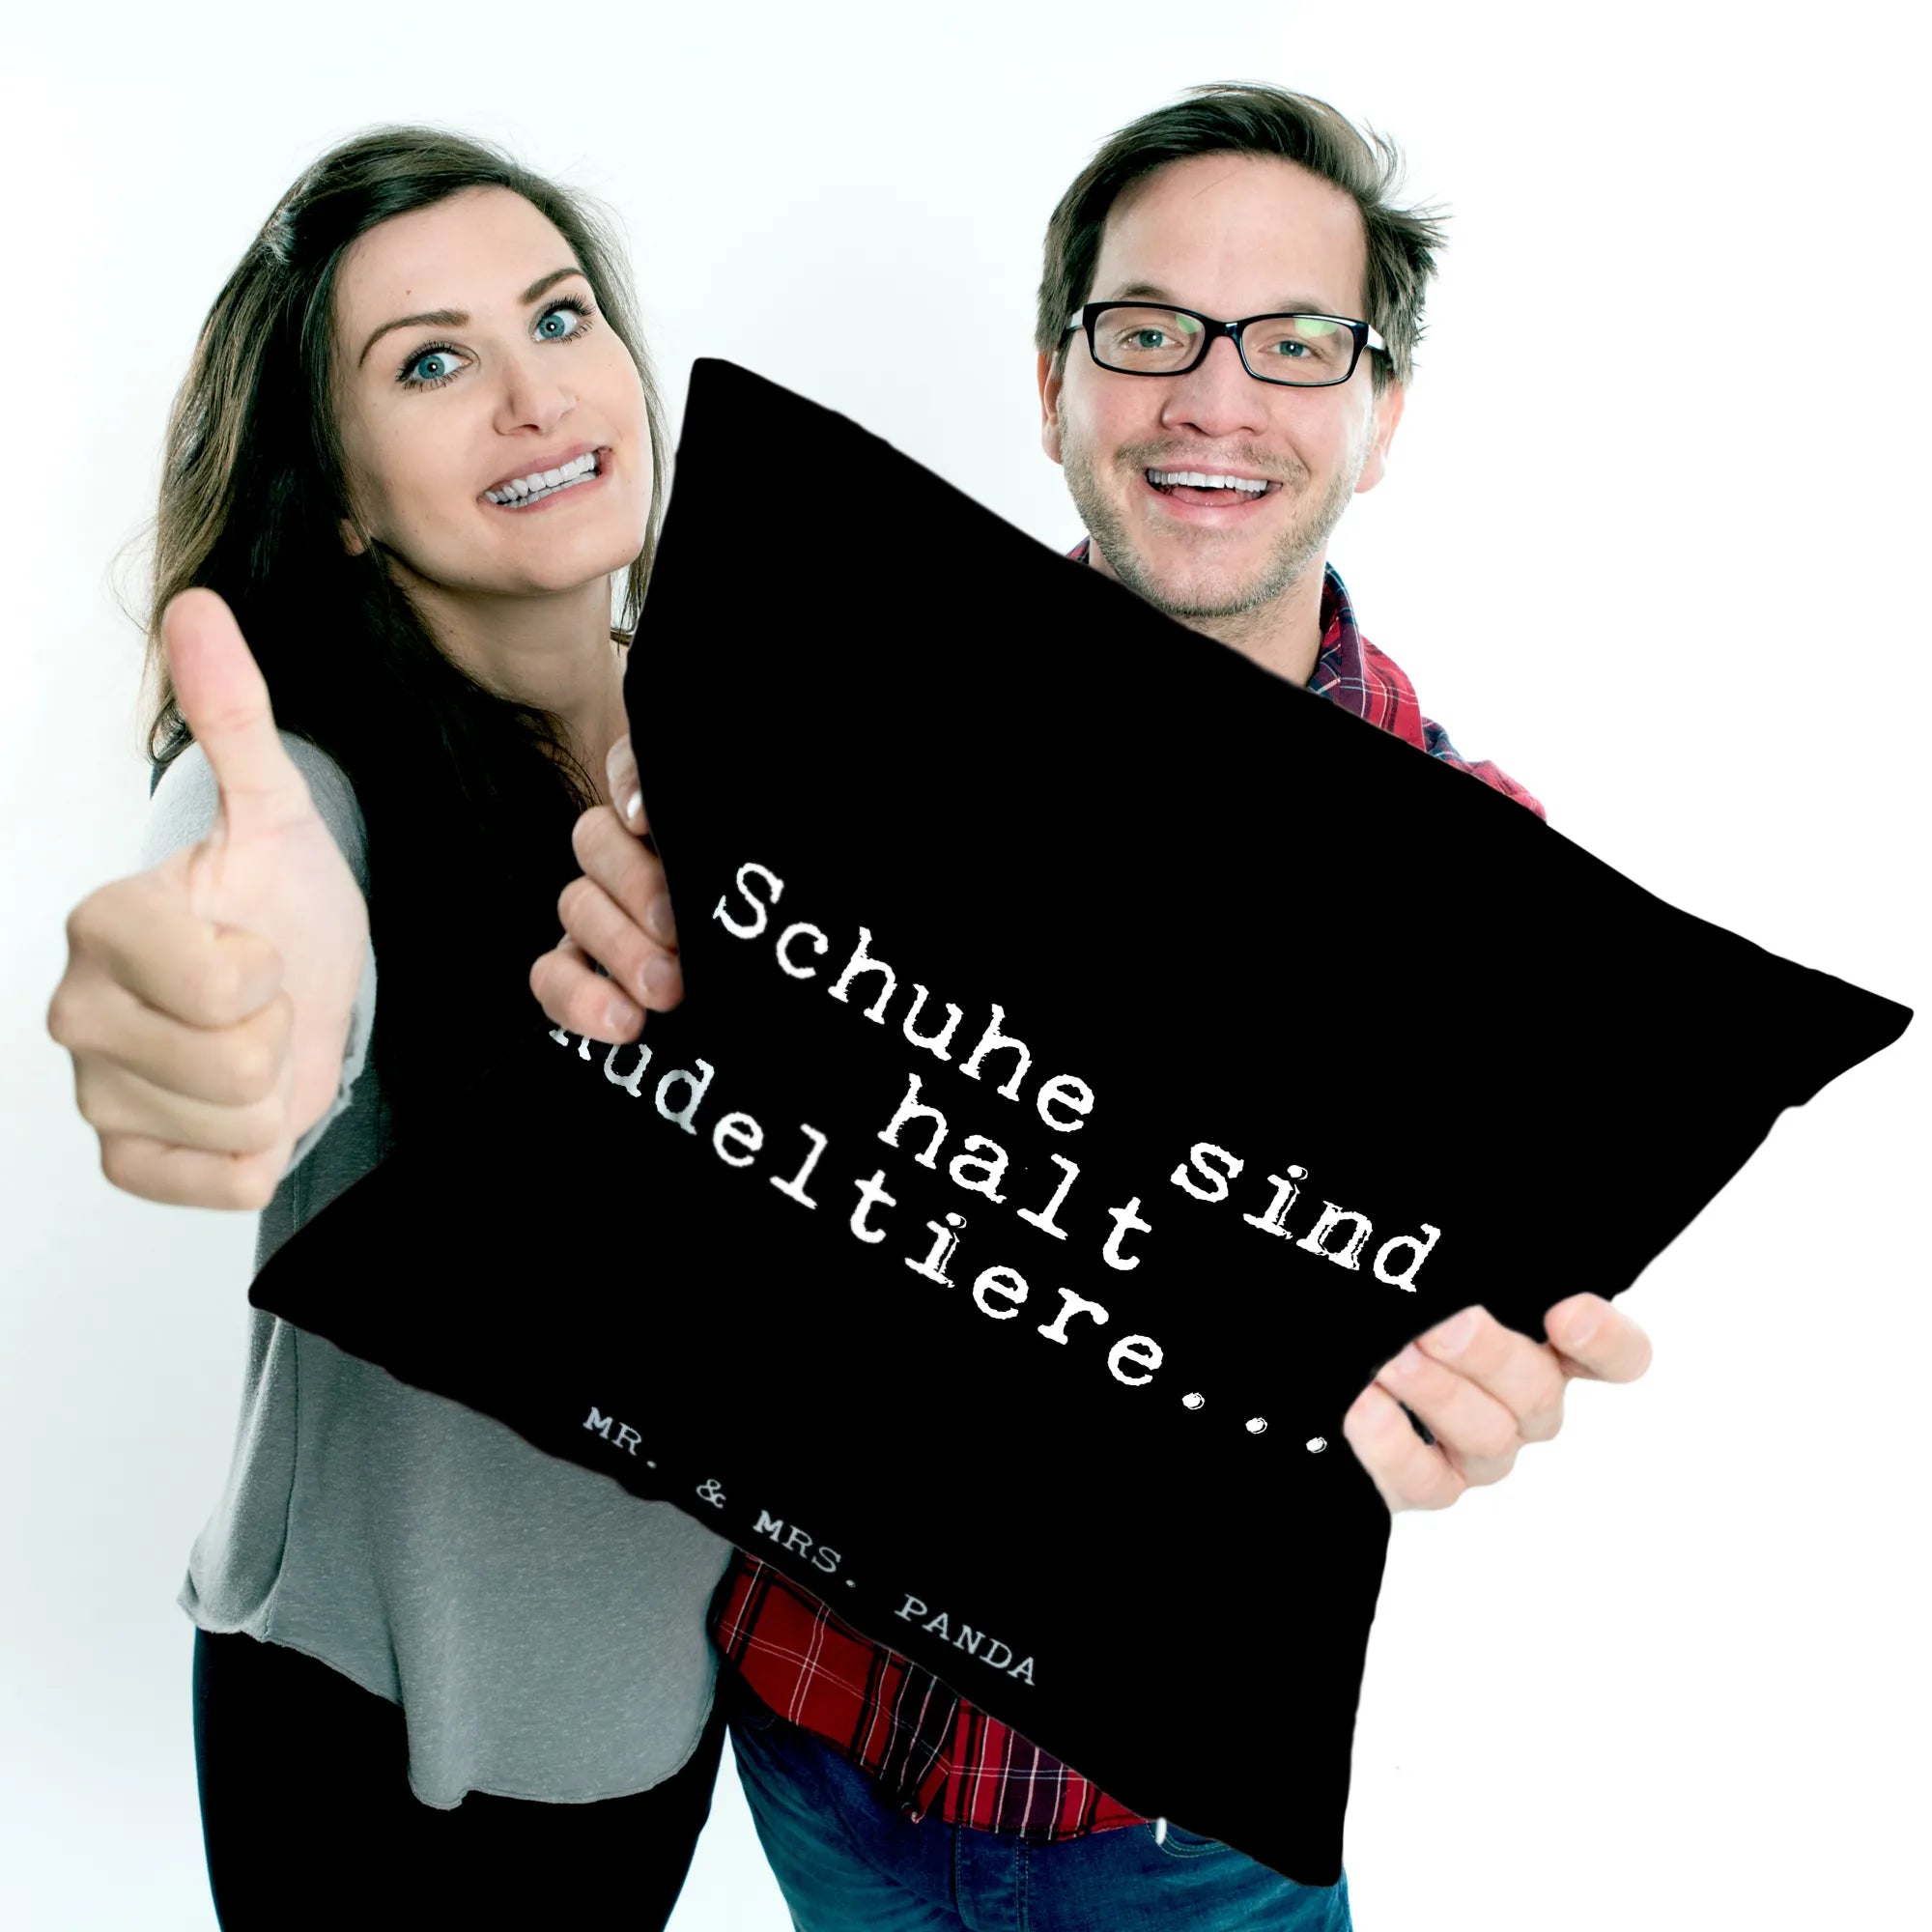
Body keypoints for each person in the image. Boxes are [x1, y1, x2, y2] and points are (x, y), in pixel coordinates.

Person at [534, 83, 1656, 1930]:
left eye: (1297, 342)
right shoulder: (841, 734)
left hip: (1174, 1840)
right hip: (802, 1736)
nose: (1216, 398)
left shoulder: (1499, 898)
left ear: (1379, 419)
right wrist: (627, 1008)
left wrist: (1470, 1393)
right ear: (1055, 384)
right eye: (1150, 333)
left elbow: (1425, 1339)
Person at [44, 129, 729, 1928]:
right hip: (378, 1744)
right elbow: (254, 895)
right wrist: (223, 998)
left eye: (558, 318)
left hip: (660, 1717)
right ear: (342, 496)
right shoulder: (309, 779)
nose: (532, 394)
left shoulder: (733, 748)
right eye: (430, 363)